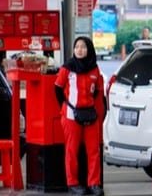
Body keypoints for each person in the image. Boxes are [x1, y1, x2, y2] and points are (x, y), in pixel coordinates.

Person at [54, 36, 105, 196]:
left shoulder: (95, 69)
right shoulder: (67, 68)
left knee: (94, 151)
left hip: (90, 115)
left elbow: (97, 91)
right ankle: (73, 184)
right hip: (70, 116)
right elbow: (58, 89)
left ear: (89, 49)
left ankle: (94, 184)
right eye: (77, 47)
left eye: (83, 47)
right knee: (72, 151)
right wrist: (65, 108)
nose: (79, 50)